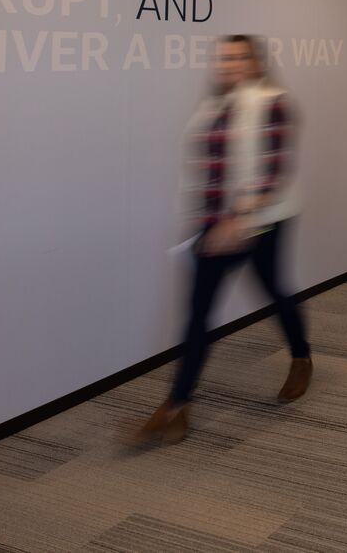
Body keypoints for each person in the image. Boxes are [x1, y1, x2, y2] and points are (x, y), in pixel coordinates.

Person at [130, 34, 312, 445]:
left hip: (264, 219)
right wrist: (205, 221)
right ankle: (176, 407)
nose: (229, 64)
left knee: (274, 289)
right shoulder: (214, 107)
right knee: (198, 313)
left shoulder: (275, 102)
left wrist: (241, 216)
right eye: (224, 57)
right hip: (215, 225)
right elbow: (206, 169)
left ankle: (301, 356)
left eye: (239, 57)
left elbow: (273, 168)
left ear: (256, 62)